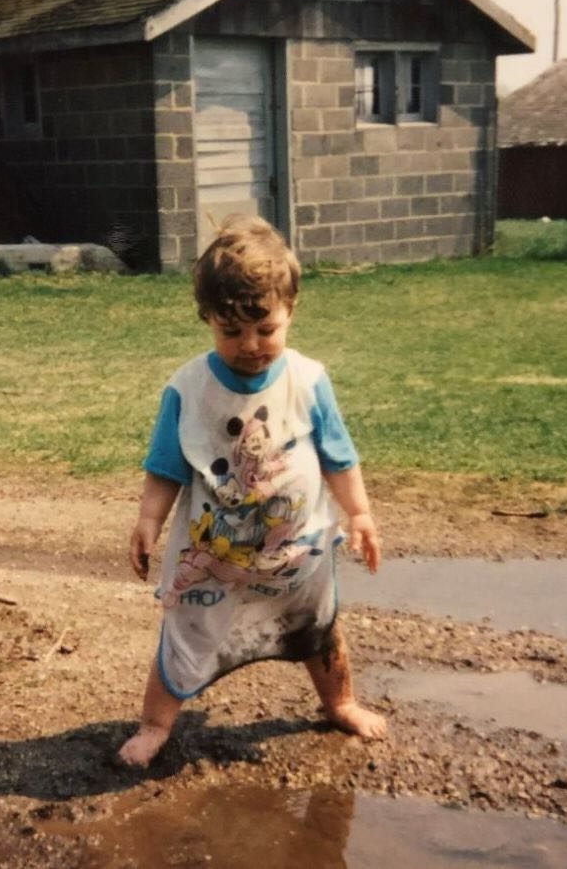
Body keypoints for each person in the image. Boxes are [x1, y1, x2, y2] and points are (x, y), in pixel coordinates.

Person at [119, 214, 386, 767]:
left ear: (291, 310)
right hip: (215, 558)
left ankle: (342, 703)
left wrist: (359, 514)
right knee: (185, 635)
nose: (250, 345)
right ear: (206, 319)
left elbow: (339, 456)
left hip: (294, 554)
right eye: (230, 330)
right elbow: (166, 467)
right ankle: (153, 724)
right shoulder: (188, 389)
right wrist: (148, 521)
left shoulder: (309, 381)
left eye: (265, 329)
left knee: (318, 628)